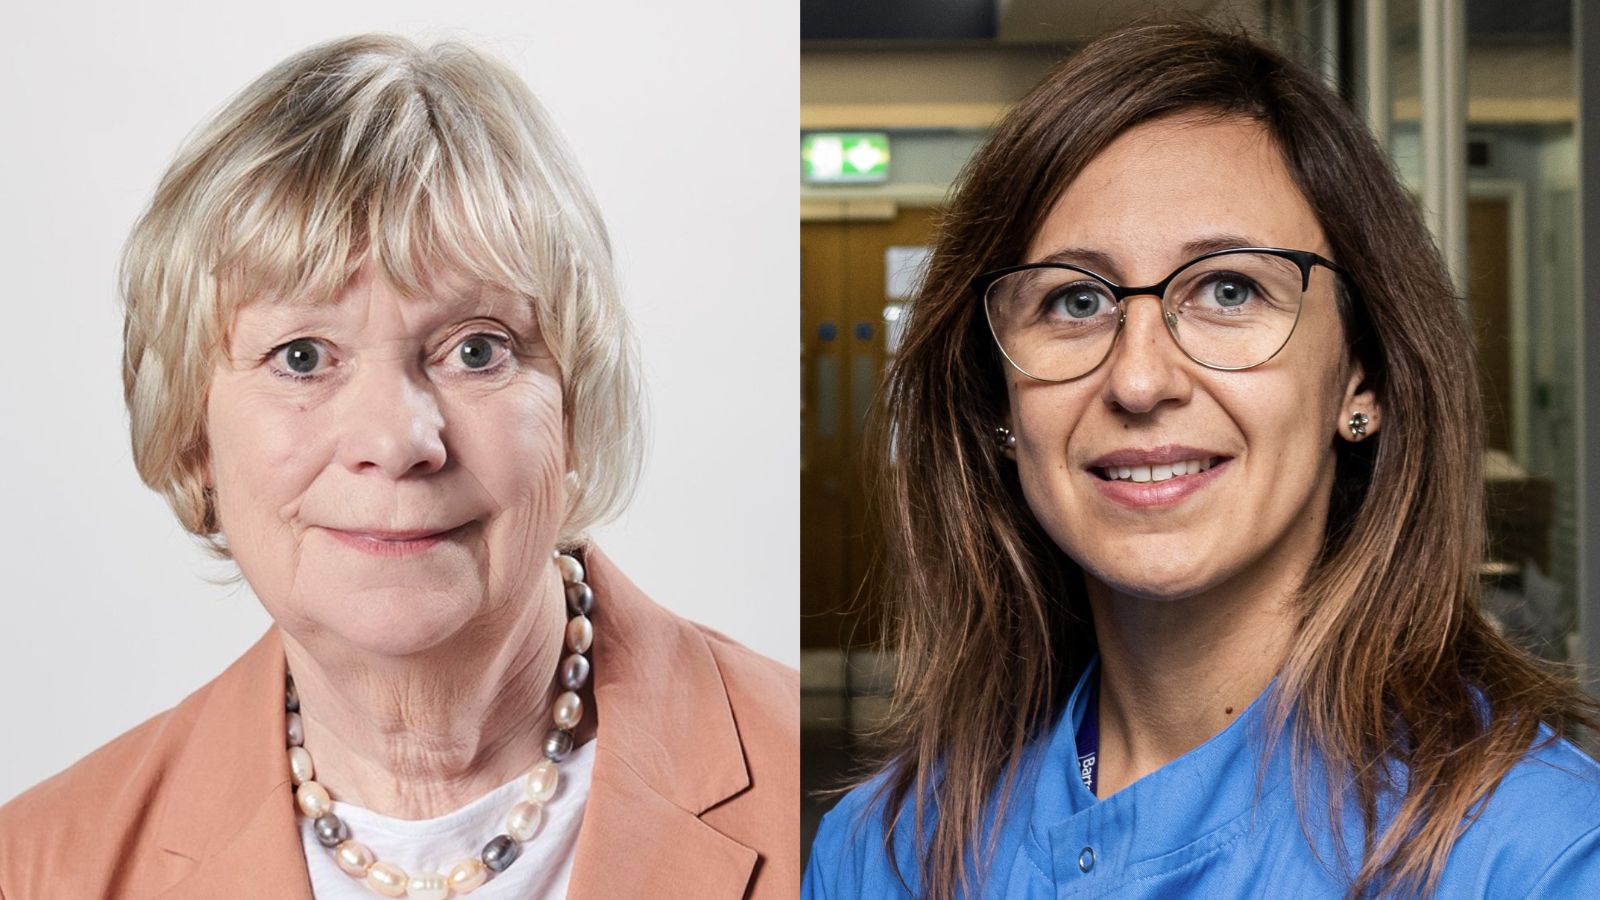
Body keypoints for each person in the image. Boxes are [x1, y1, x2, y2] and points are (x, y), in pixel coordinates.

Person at [804, 20, 1600, 900]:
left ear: (1360, 379)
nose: (1140, 379)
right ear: (1000, 400)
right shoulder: (878, 853)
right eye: (1074, 301)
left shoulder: (1539, 858)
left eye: (1231, 289)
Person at [0, 34, 797, 900]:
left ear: (576, 409)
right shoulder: (41, 867)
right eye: (301, 357)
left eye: (477, 350)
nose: (396, 438)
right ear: (193, 441)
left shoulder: (826, 803)